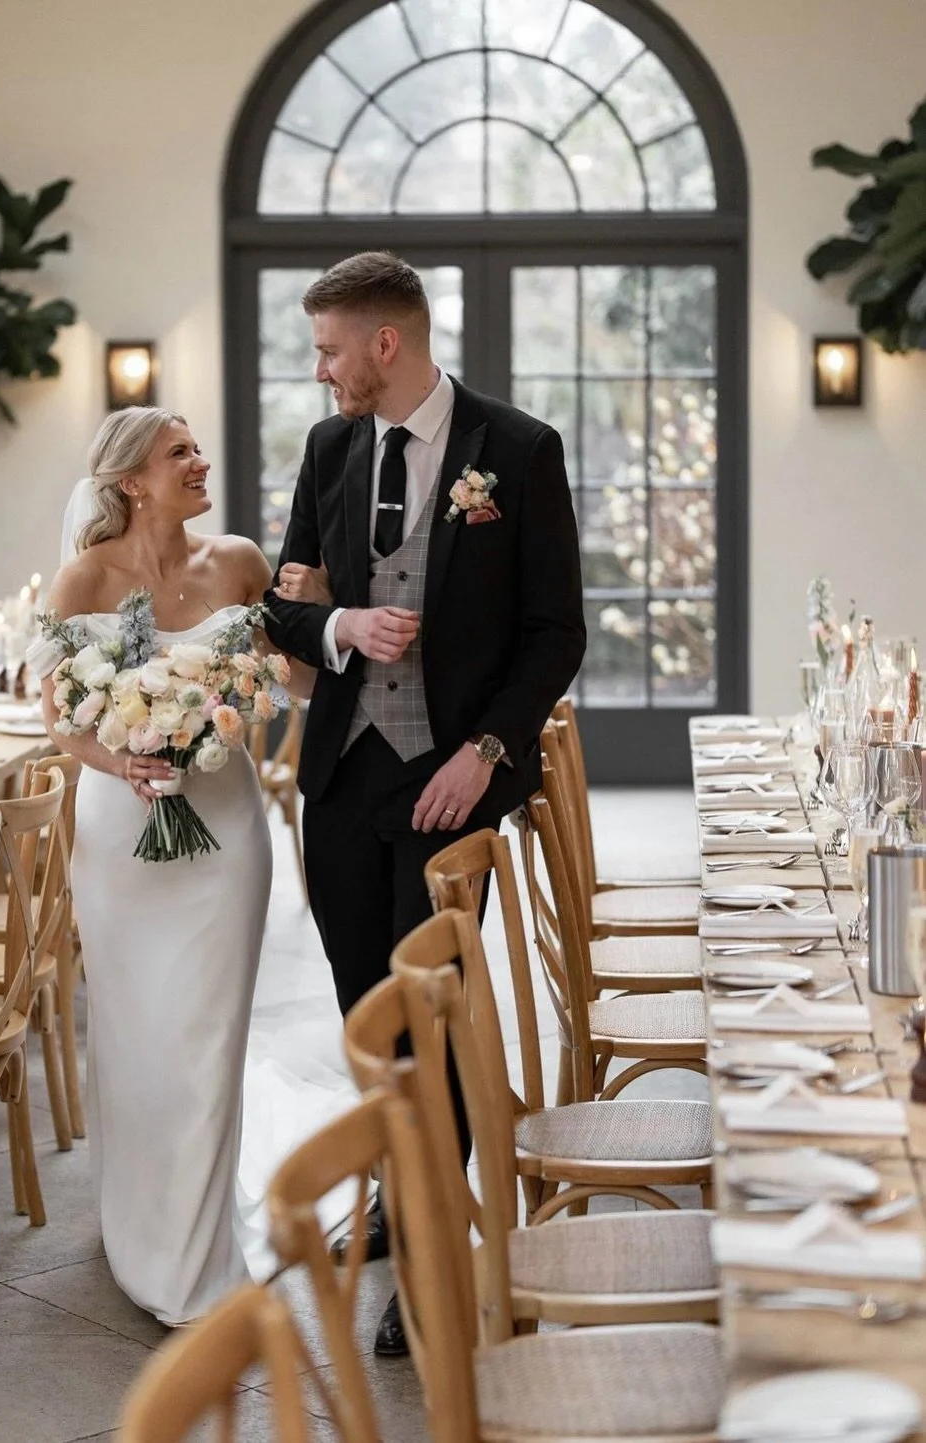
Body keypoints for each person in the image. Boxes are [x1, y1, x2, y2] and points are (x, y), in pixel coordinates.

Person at [262, 251, 586, 1355]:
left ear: (383, 346)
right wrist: (340, 627)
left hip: (452, 781)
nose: (321, 374)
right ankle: (404, 1190)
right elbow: (285, 605)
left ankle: (435, 1248)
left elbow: (556, 631)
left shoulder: (519, 452)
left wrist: (487, 754)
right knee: (370, 1017)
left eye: (328, 352)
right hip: (343, 774)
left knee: (433, 1017)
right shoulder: (329, 448)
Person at [34, 407, 279, 1326]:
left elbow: (287, 673)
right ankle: (141, 1229)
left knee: (209, 1037)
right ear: (131, 480)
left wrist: (253, 683)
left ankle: (200, 1254)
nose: (200, 460)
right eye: (180, 452)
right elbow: (61, 717)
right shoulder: (83, 578)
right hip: (121, 837)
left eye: (197, 448)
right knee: (139, 1036)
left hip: (225, 833)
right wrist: (120, 757)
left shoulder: (239, 561)